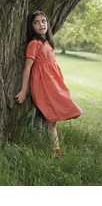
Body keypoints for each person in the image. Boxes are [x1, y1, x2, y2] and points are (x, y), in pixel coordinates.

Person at [15, 10, 83, 157]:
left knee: (52, 121)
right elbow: (27, 67)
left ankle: (56, 151)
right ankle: (38, 150)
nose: (41, 24)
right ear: (31, 27)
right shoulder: (35, 44)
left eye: (43, 21)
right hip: (42, 88)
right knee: (40, 121)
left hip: (52, 87)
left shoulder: (47, 43)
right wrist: (23, 90)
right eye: (36, 22)